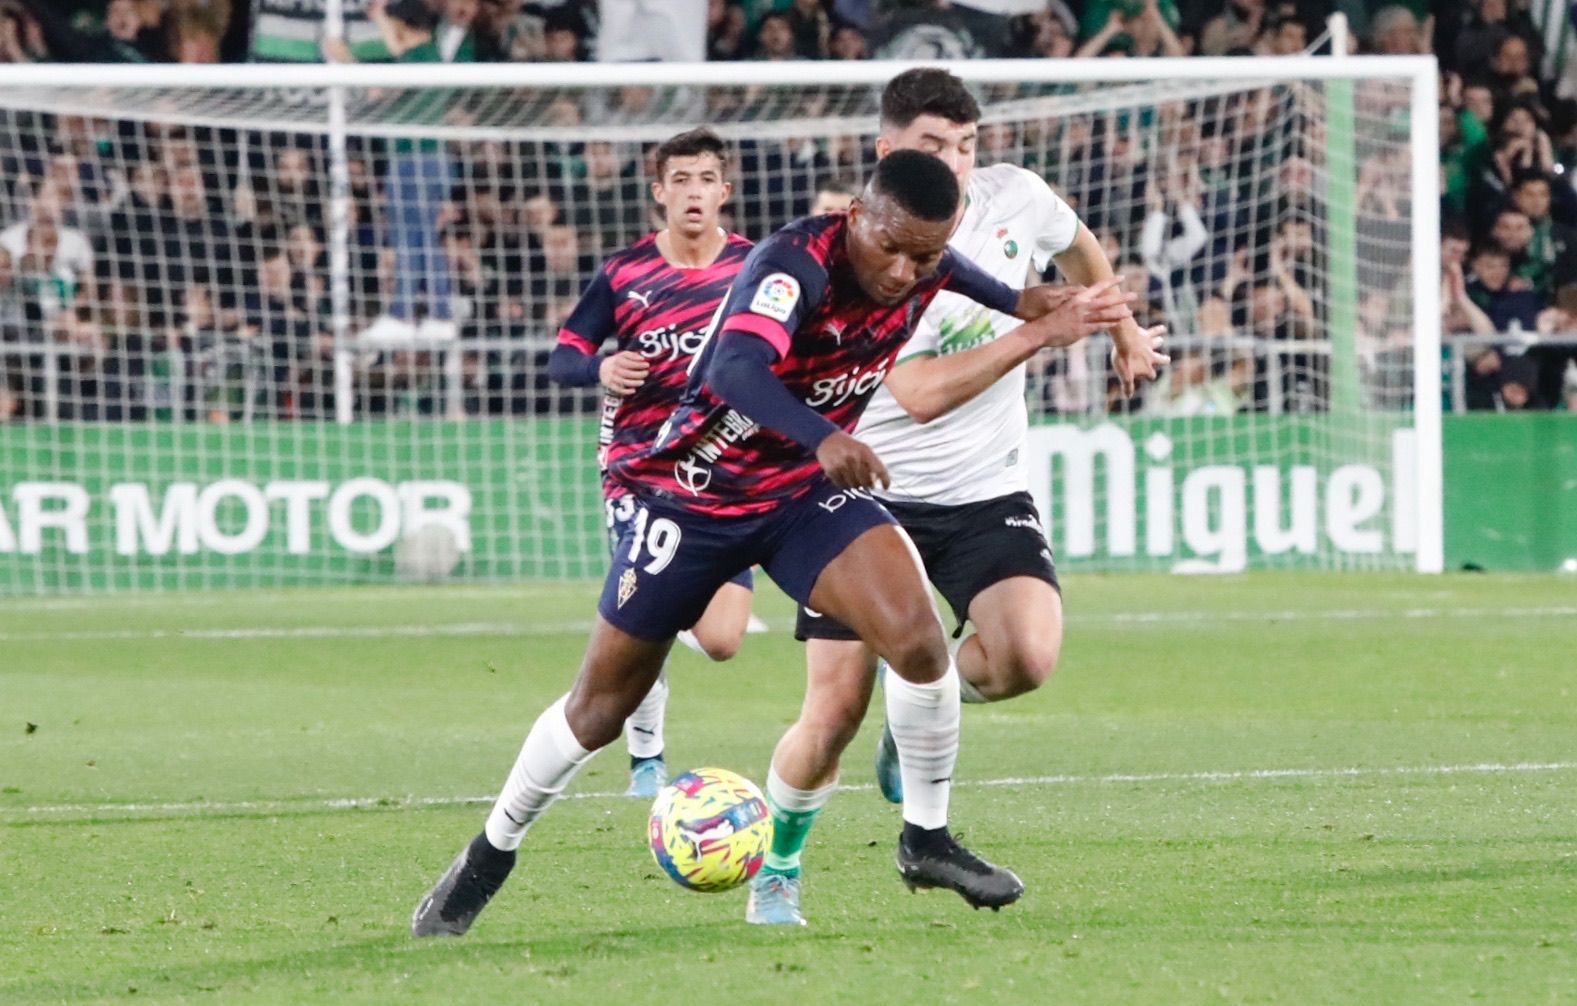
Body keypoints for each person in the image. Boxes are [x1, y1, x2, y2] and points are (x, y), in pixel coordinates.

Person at [410, 149, 1125, 937]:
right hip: (692, 498)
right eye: (891, 248)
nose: (903, 271)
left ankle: (925, 839)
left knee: (919, 641)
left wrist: (1028, 304)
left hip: (798, 499)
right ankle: (489, 853)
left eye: (923, 253)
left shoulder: (921, 256)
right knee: (599, 708)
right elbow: (735, 370)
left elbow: (950, 270)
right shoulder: (793, 265)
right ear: (857, 215)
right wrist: (821, 435)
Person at [755, 68, 1166, 926]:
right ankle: (776, 870)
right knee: (831, 711)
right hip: (869, 496)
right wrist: (1037, 333)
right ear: (888, 153)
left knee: (1024, 657)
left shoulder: (1014, 198)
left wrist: (1121, 328)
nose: (957, 162)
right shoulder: (868, 256)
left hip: (984, 488)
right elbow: (918, 393)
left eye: (967, 144)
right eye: (934, 146)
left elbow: (1078, 244)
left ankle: (915, 730)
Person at [546, 128, 757, 798]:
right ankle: (646, 758)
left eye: (705, 180)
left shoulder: (755, 269)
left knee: (723, 641)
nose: (693, 192)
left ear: (723, 192)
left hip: (723, 470)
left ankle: (653, 623)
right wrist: (601, 366)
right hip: (636, 472)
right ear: (658, 191)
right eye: (681, 180)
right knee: (651, 617)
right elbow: (563, 356)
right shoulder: (623, 273)